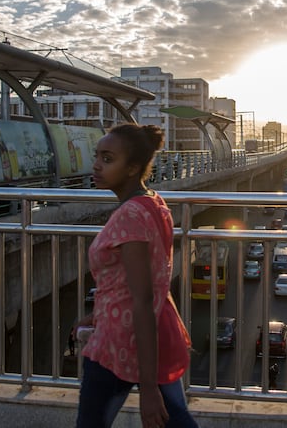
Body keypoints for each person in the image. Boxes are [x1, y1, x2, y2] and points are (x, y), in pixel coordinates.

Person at [75, 123, 197, 428]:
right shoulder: (154, 202)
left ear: (131, 168)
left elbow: (142, 299)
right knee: (177, 421)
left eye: (107, 158)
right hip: (153, 333)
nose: (96, 165)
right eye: (97, 156)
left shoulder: (130, 215)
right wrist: (98, 313)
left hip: (119, 343)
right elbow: (139, 284)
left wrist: (148, 390)